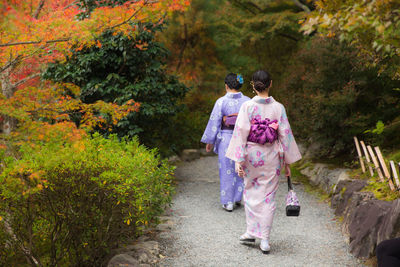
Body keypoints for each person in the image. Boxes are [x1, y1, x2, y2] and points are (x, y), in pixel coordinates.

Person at [226, 70, 302, 254]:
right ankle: (263, 238)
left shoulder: (247, 107)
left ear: (253, 85)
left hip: (252, 154)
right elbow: (285, 135)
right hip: (272, 156)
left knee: (251, 192)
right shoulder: (279, 108)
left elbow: (241, 133)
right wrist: (288, 163)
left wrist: (238, 159)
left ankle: (252, 232)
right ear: (270, 84)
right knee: (268, 196)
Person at [201, 73, 250, 212]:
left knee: (227, 170)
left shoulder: (221, 101)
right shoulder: (248, 101)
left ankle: (228, 202)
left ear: (226, 86)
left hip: (226, 138)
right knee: (241, 167)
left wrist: (210, 140)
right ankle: (237, 197)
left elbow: (214, 122)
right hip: (243, 138)